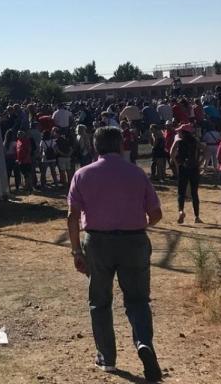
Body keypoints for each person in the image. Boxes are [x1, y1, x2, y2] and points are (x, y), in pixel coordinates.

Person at [67, 127, 163, 382]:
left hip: (97, 242)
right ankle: (144, 343)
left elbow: (72, 216)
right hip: (134, 241)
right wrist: (136, 223)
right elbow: (156, 215)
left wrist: (76, 250)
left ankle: (107, 358)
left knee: (100, 301)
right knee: (138, 300)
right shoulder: (136, 173)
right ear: (121, 146)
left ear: (95, 147)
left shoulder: (82, 175)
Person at [170, 123, 203, 224]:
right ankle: (197, 216)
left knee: (181, 192)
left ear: (183, 133)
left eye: (180, 131)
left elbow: (172, 154)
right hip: (194, 168)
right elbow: (205, 150)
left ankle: (181, 211)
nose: (178, 132)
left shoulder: (178, 142)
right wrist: (201, 163)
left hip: (183, 167)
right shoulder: (196, 141)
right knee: (194, 193)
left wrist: (177, 164)